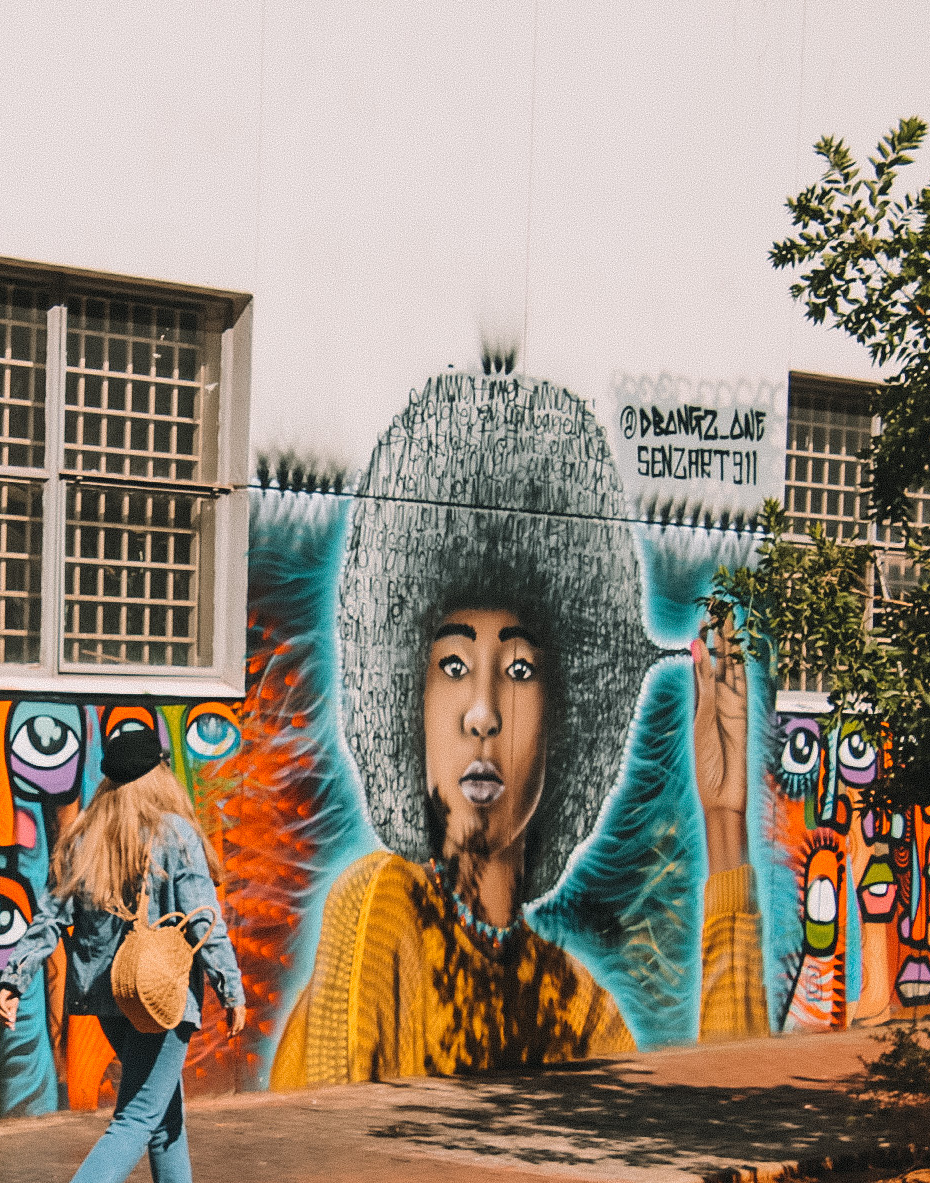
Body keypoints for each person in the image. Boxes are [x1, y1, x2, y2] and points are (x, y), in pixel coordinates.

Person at [270, 372, 667, 1087]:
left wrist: (726, 830)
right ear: (406, 705)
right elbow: (333, 1126)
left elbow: (708, 1106)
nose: (482, 713)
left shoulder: (578, 1007)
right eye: (452, 666)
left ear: (567, 723)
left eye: (519, 671)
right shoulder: (380, 906)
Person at [0, 728, 246, 1183]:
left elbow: (49, 919)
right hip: (159, 994)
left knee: (159, 1100)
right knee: (138, 1111)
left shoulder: (83, 839)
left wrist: (14, 978)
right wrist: (230, 988)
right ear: (159, 773)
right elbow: (203, 921)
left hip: (106, 997)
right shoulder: (175, 834)